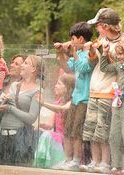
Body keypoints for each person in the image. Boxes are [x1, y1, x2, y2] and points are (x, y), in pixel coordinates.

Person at [80, 8, 124, 174]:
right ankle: (95, 161)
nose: (96, 29)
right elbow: (94, 64)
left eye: (97, 25)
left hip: (109, 93)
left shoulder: (121, 43)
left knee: (103, 131)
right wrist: (92, 51)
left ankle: (106, 163)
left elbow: (116, 68)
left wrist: (103, 51)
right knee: (91, 130)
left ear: (105, 26)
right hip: (94, 90)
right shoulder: (100, 39)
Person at [54, 21, 94, 171]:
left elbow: (83, 68)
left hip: (85, 98)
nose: (71, 42)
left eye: (73, 39)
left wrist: (73, 52)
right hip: (75, 98)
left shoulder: (90, 53)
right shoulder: (77, 52)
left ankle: (76, 160)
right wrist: (60, 53)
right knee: (68, 130)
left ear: (81, 39)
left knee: (77, 132)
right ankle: (67, 159)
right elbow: (67, 69)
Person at [0, 54, 44, 166]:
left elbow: (31, 118)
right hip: (1, 136)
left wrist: (10, 108)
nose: (22, 65)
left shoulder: (38, 91)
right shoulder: (14, 85)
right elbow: (2, 106)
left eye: (26, 63)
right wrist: (2, 100)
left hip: (19, 139)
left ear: (33, 69)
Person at [34, 73, 75, 169]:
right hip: (58, 138)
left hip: (68, 140)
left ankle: (60, 162)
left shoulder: (73, 102)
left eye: (59, 83)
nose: (55, 86)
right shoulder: (57, 102)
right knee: (45, 134)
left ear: (67, 87)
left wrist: (43, 103)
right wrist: (41, 124)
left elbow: (61, 109)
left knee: (47, 135)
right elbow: (50, 125)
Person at [100, 41, 124, 175]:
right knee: (114, 135)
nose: (120, 56)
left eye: (122, 54)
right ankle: (116, 165)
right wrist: (105, 53)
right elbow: (104, 68)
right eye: (118, 54)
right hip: (118, 103)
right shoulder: (119, 66)